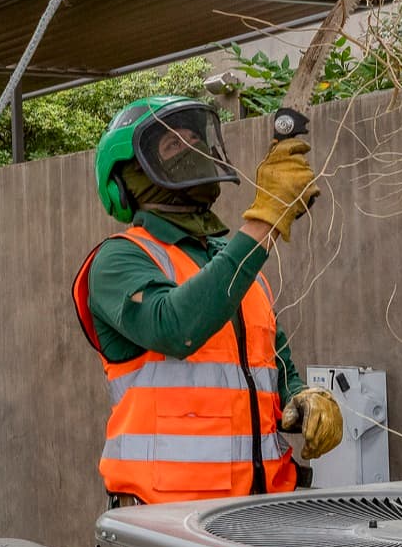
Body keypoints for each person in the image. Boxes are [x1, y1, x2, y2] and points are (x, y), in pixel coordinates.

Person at [70, 96, 342, 506]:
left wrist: (302, 398)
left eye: (196, 139)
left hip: (262, 509)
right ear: (129, 174)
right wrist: (265, 221)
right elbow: (176, 328)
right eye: (173, 144)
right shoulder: (119, 259)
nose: (192, 149)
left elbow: (274, 365)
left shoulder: (233, 261)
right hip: (167, 519)